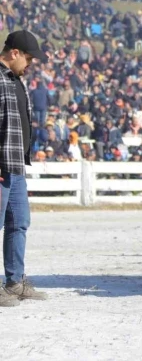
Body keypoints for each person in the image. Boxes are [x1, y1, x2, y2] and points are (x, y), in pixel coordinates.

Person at [0, 31, 48, 308]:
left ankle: (15, 282)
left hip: (16, 164)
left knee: (19, 224)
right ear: (14, 52)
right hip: (2, 165)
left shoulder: (16, 81)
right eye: (28, 58)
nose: (30, 65)